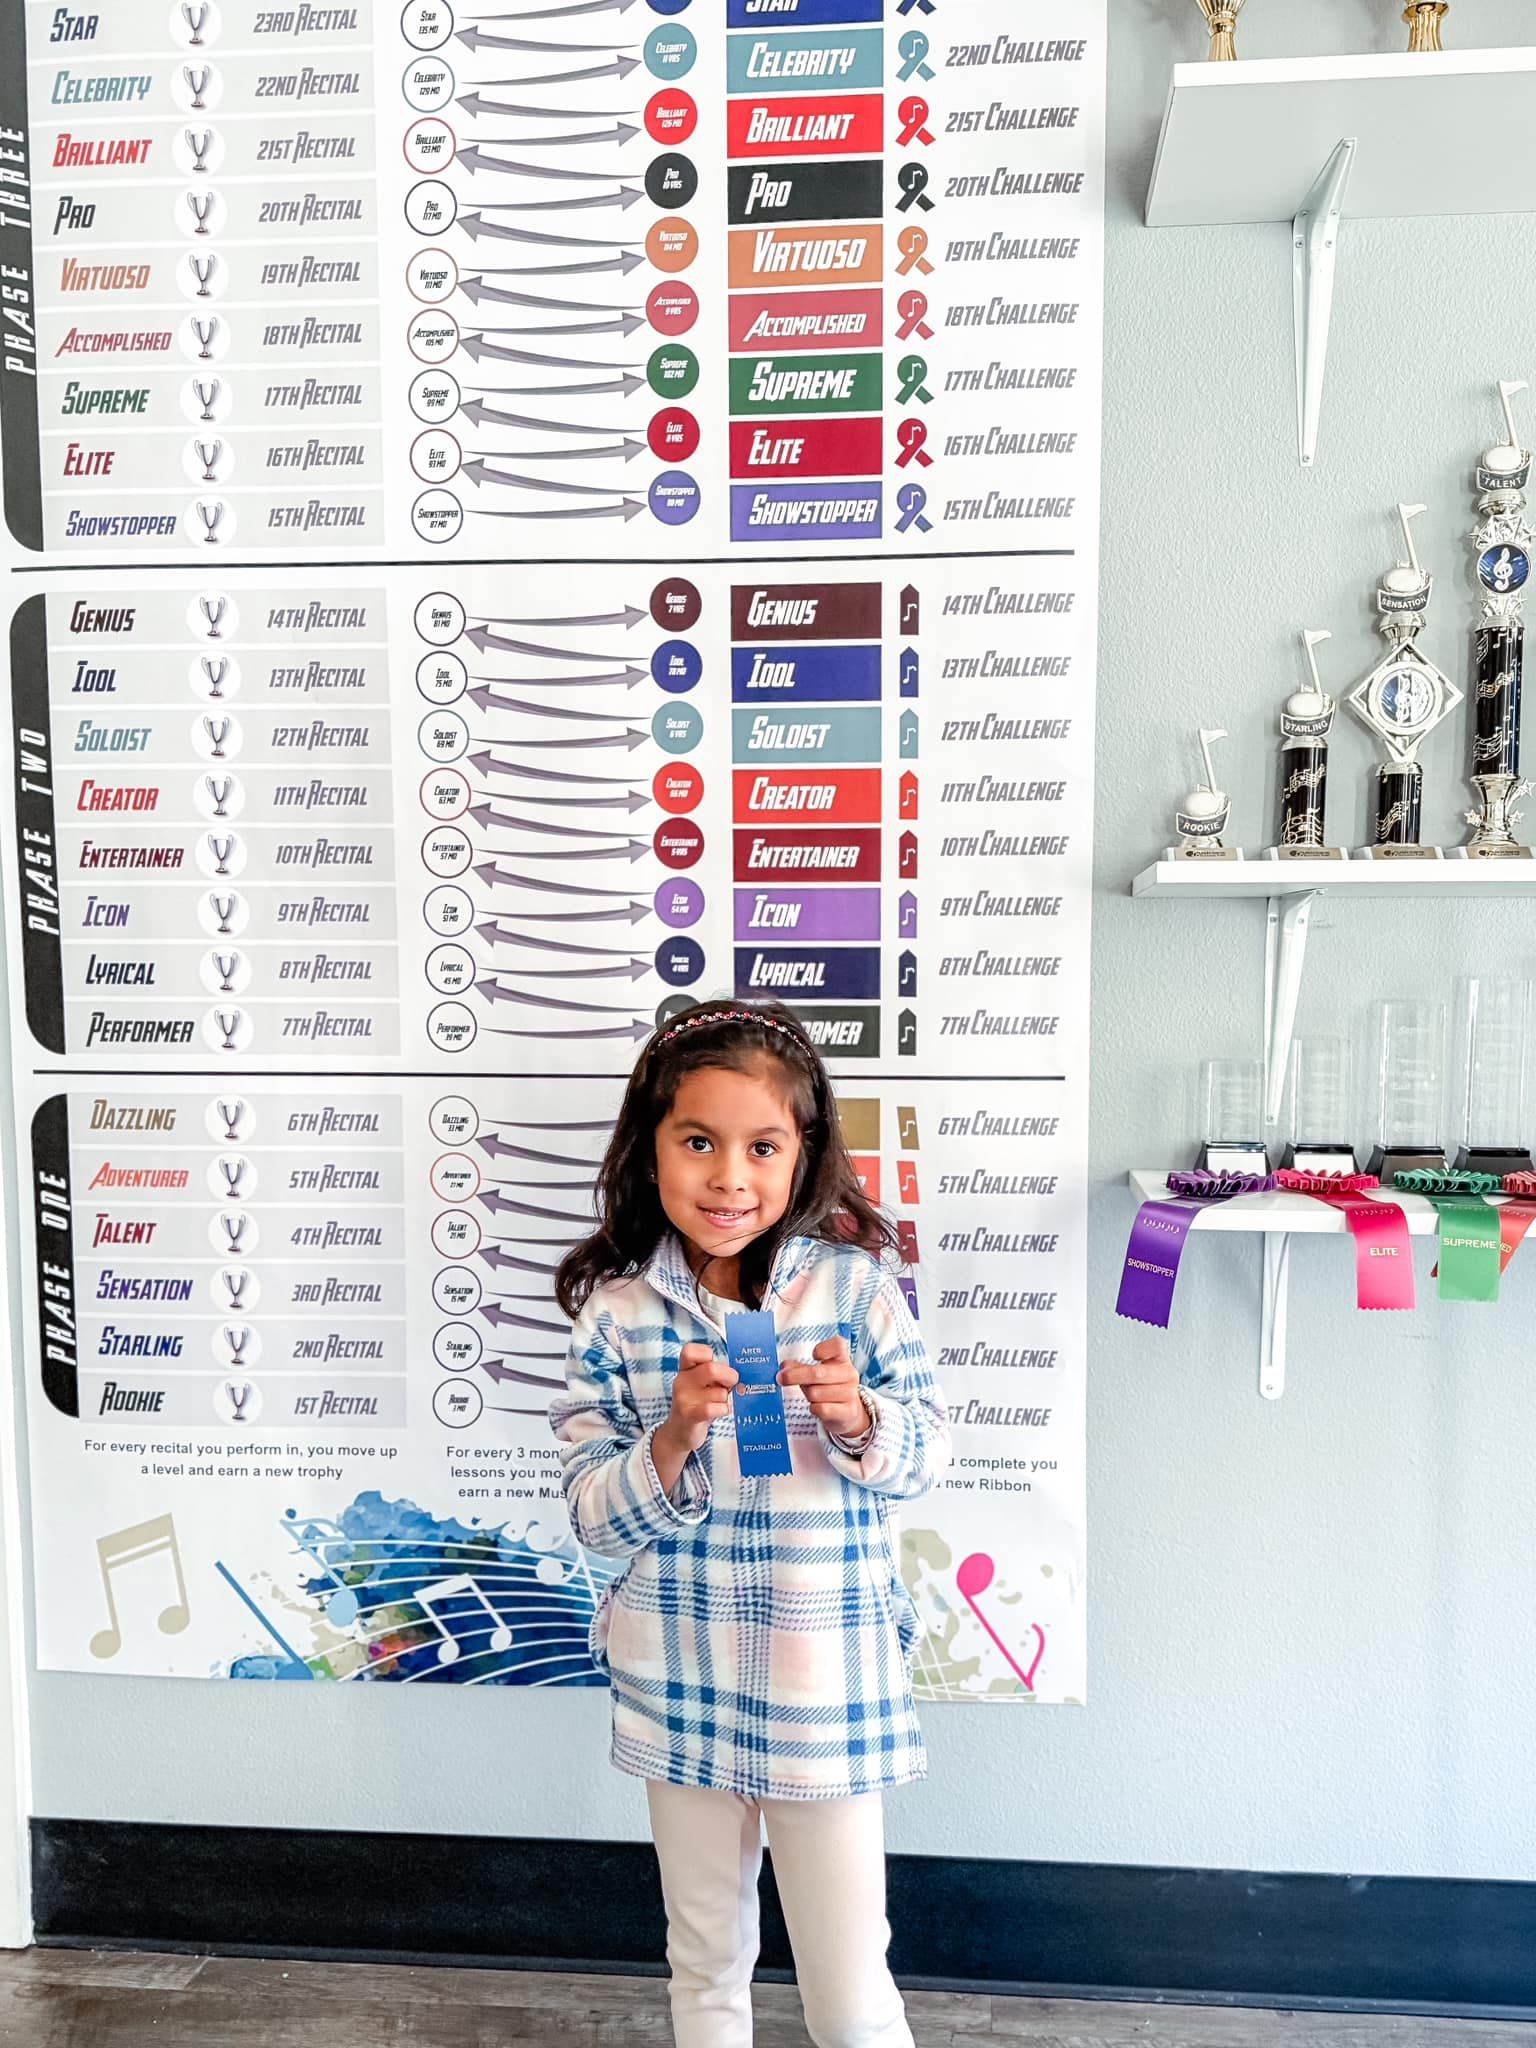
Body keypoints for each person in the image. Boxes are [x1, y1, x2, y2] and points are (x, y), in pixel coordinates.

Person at [550, 998, 951, 2048]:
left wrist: (860, 1415)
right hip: (680, 1683)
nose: (730, 1177)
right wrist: (673, 1434)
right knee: (705, 1965)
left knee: (851, 1987)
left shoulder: (857, 1294)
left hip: (822, 1684)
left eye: (761, 1145)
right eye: (698, 1141)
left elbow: (930, 1454)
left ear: (803, 1153)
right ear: (650, 1151)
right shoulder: (618, 1315)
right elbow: (594, 1514)